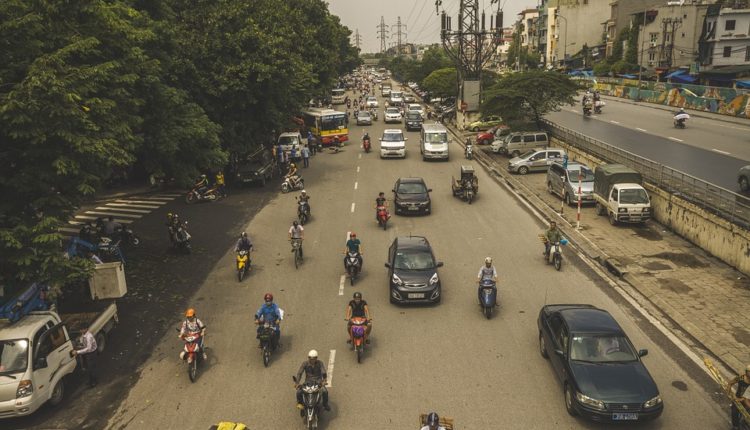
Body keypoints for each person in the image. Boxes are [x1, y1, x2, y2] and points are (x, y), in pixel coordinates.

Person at [726, 364, 750, 429]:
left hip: (747, 402)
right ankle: (735, 426)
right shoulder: (740, 378)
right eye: (749, 371)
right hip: (737, 399)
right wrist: (728, 393)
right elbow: (730, 383)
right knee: (734, 412)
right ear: (746, 371)